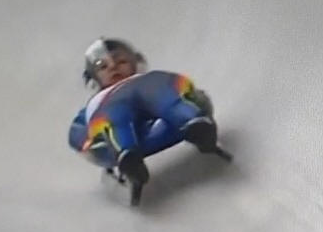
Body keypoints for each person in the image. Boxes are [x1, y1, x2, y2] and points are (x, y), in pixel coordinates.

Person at [66, 37, 221, 187]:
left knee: (163, 89)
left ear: (135, 63)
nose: (113, 67)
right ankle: (127, 155)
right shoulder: (98, 102)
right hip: (115, 113)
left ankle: (193, 123)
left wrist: (194, 96)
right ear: (93, 78)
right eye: (103, 67)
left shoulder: (148, 79)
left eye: (121, 61)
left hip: (153, 103)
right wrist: (87, 142)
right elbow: (78, 129)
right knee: (113, 115)